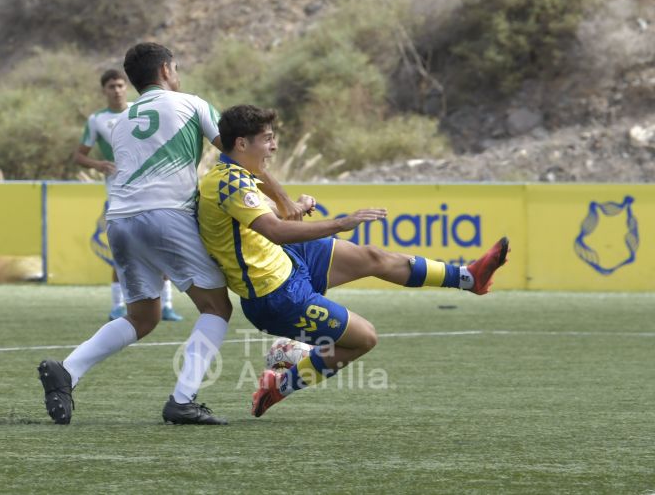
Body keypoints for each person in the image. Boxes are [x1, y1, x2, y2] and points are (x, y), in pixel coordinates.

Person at [38, 44, 304, 426]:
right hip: (165, 216)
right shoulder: (190, 104)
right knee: (216, 308)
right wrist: (282, 200)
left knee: (142, 316)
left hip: (120, 220)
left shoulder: (123, 118)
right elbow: (237, 156)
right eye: (176, 68)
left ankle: (68, 370)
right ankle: (183, 400)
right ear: (166, 69)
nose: (178, 74)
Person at [196, 104, 510, 418]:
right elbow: (275, 231)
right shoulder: (228, 183)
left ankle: (469, 277)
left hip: (286, 259)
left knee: (372, 256)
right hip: (275, 295)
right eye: (267, 139)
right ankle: (280, 386)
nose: (274, 146)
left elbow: (262, 203)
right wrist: (340, 223)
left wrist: (293, 204)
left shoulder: (238, 172)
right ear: (241, 144)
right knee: (363, 339)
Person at [73, 69, 183, 322]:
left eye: (121, 85)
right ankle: (118, 305)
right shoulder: (97, 120)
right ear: (104, 91)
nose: (117, 90)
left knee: (160, 246)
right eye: (112, 86)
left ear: (127, 87)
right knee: (121, 251)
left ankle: (166, 304)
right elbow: (79, 155)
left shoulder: (140, 110)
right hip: (118, 194)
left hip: (150, 192)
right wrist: (98, 164)